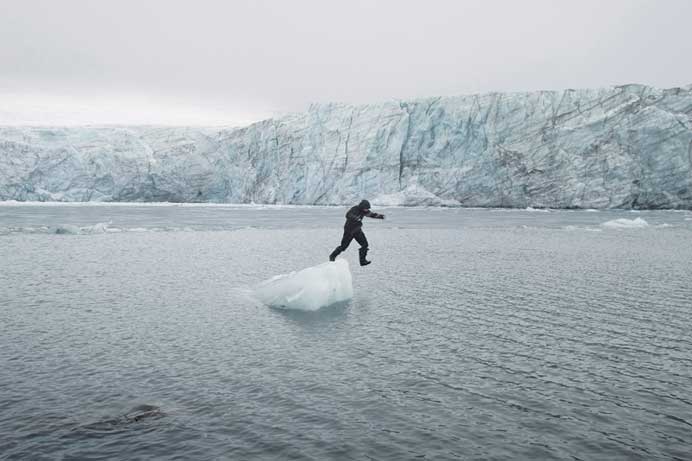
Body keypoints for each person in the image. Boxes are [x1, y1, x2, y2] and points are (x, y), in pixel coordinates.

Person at [329, 199, 385, 266]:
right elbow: (348, 215)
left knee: (365, 245)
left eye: (368, 209)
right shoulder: (355, 209)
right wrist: (355, 218)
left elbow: (371, 214)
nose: (367, 210)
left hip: (357, 230)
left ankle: (362, 261)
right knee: (343, 247)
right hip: (349, 231)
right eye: (366, 208)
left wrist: (380, 216)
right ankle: (332, 256)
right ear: (362, 207)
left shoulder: (364, 211)